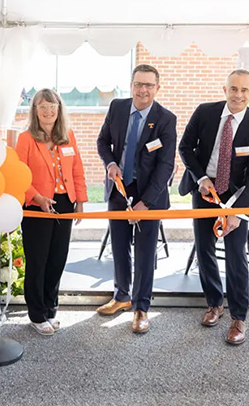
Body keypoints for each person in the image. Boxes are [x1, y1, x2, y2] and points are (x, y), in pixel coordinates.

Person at [178, 69, 249, 345]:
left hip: (237, 194)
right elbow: (185, 148)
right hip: (205, 189)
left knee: (236, 255)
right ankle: (214, 304)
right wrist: (201, 177)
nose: (238, 95)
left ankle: (238, 317)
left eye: (244, 90)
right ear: (224, 89)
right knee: (204, 248)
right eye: (233, 89)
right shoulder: (205, 112)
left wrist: (237, 211)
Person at [96, 64, 176, 334]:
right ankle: (121, 296)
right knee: (118, 247)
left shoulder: (166, 119)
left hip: (149, 195)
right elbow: (102, 141)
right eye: (139, 84)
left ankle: (141, 308)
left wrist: (147, 203)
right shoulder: (117, 108)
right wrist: (109, 163)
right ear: (131, 85)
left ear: (157, 88)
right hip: (119, 189)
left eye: (149, 85)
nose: (143, 90)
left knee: (144, 253)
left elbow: (166, 166)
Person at [16, 89, 87, 336]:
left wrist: (79, 200)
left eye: (52, 106)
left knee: (58, 258)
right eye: (42, 106)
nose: (48, 111)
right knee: (38, 260)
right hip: (37, 206)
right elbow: (18, 174)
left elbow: (77, 170)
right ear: (35, 110)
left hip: (64, 203)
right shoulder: (26, 139)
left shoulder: (68, 136)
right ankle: (36, 313)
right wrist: (36, 196)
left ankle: (50, 307)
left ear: (59, 109)